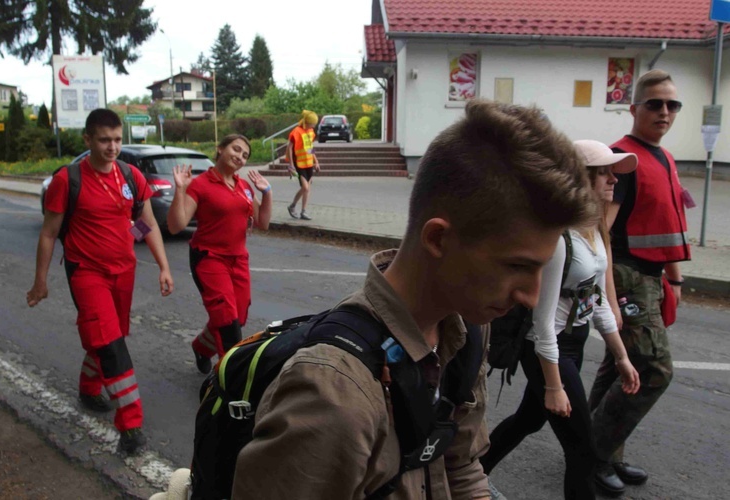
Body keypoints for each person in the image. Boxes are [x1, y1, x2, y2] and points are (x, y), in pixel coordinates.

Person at [230, 99, 597, 499]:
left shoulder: (468, 330)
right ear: (438, 239)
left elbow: (460, 464)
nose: (531, 298)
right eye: (516, 266)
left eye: (542, 269)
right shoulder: (332, 396)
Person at [480, 140, 642, 500]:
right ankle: (467, 477)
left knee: (529, 420)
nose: (614, 180)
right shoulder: (559, 240)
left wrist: (621, 356)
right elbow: (541, 323)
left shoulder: (594, 231)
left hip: (572, 341)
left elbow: (596, 299)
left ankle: (469, 474)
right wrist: (553, 385)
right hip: (547, 349)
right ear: (581, 180)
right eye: (604, 173)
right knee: (582, 450)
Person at [26, 108, 174, 455]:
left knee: (111, 335)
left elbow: (145, 224)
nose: (112, 147)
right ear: (88, 140)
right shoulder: (68, 179)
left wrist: (162, 266)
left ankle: (89, 387)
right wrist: (40, 282)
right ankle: (131, 425)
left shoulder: (131, 176)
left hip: (124, 272)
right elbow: (48, 234)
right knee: (110, 344)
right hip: (86, 273)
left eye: (118, 140)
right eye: (105, 140)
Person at [589, 69, 691, 496]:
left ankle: (598, 447)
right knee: (653, 370)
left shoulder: (664, 158)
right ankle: (593, 453)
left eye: (672, 105)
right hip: (626, 276)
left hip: (652, 276)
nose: (664, 112)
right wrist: (609, 296)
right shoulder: (623, 160)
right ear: (634, 109)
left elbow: (668, 225)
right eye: (654, 104)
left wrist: (675, 278)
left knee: (617, 366)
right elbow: (601, 234)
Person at [167, 134, 272, 373]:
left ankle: (202, 347)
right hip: (209, 259)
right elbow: (176, 225)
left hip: (238, 259)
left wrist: (267, 193)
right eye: (236, 150)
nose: (240, 157)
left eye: (245, 155)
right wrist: (180, 191)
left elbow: (263, 222)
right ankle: (229, 380)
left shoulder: (243, 186)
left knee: (239, 317)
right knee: (227, 322)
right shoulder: (201, 184)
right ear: (220, 149)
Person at [286, 109, 320, 220]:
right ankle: (293, 206)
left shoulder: (310, 132)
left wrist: (316, 161)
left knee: (307, 188)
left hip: (309, 163)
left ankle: (302, 211)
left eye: (314, 125)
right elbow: (289, 148)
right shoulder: (296, 131)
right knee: (305, 187)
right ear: (306, 122)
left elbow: (310, 148)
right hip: (299, 164)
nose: (313, 127)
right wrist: (291, 165)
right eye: (312, 124)